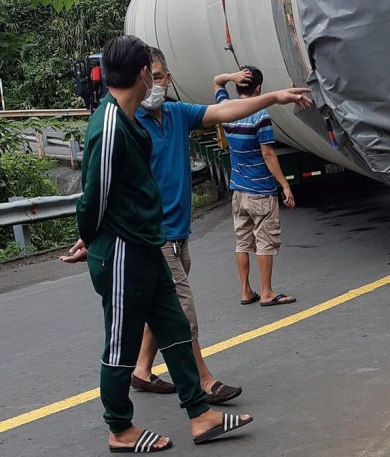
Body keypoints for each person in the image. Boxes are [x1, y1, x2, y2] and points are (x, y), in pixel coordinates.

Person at [64, 35, 259, 451]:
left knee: (174, 326)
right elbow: (93, 196)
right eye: (151, 74)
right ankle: (119, 428)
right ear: (141, 74)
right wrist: (91, 239)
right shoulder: (111, 125)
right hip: (122, 250)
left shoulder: (129, 118)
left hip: (147, 244)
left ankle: (200, 415)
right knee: (122, 342)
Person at [129, 48, 309, 404]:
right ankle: (203, 381)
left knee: (161, 304)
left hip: (179, 234)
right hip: (154, 236)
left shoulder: (178, 114)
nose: (153, 84)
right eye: (146, 77)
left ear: (169, 79)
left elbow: (225, 111)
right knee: (181, 311)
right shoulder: (130, 124)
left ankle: (141, 369)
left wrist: (275, 96)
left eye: (159, 76)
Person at [214, 66, 298, 308]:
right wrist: (285, 185)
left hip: (238, 190)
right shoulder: (260, 116)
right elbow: (268, 155)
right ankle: (267, 292)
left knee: (242, 241)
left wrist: (230, 76)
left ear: (238, 85)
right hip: (260, 190)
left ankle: (245, 291)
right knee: (265, 241)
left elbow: (217, 82)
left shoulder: (226, 109)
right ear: (259, 89)